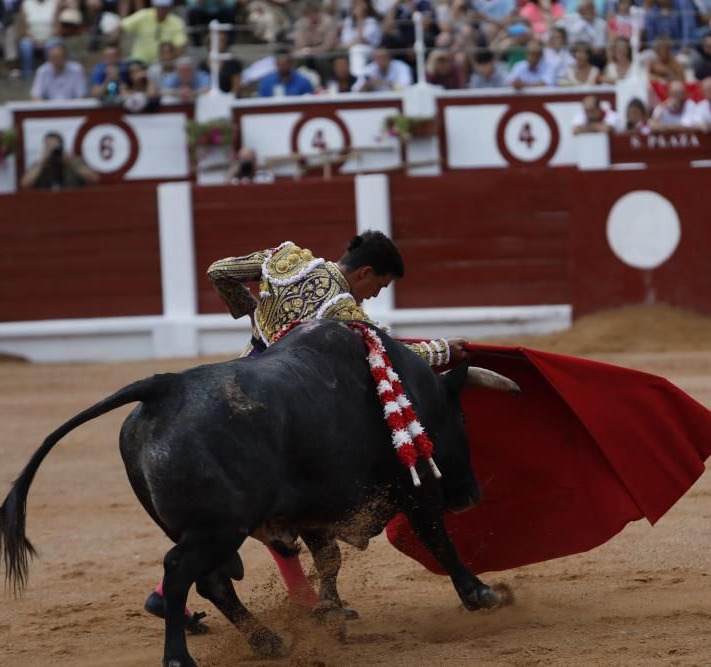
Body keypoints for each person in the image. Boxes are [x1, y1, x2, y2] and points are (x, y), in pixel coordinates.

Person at [142, 231, 469, 628]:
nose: (374, 296)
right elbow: (392, 353)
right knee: (271, 498)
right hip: (287, 398)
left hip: (243, 378)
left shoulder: (288, 260)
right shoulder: (339, 308)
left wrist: (251, 312)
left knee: (243, 504)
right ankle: (298, 598)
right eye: (379, 286)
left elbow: (220, 271)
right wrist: (444, 351)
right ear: (364, 272)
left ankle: (291, 597)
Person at [118, 0, 188, 66]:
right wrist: (115, 46)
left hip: (164, 64)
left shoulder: (177, 22)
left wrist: (169, 59)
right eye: (160, 7)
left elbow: (181, 45)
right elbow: (121, 27)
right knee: (130, 68)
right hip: (139, 61)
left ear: (169, 8)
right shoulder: (143, 15)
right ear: (155, 6)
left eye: (165, 7)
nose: (163, 10)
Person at [20, 132, 99, 189]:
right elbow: (25, 184)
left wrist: (71, 162)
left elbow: (94, 179)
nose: (52, 150)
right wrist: (42, 162)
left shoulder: (73, 161)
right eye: (49, 146)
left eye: (55, 147)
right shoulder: (39, 165)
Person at [19, 0, 60, 79]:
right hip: (31, 38)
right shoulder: (25, 4)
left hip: (50, 38)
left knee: (50, 45)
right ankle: (28, 75)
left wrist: (45, 40)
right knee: (25, 46)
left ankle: (50, 75)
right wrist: (34, 40)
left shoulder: (54, 3)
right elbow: (24, 29)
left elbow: (57, 28)